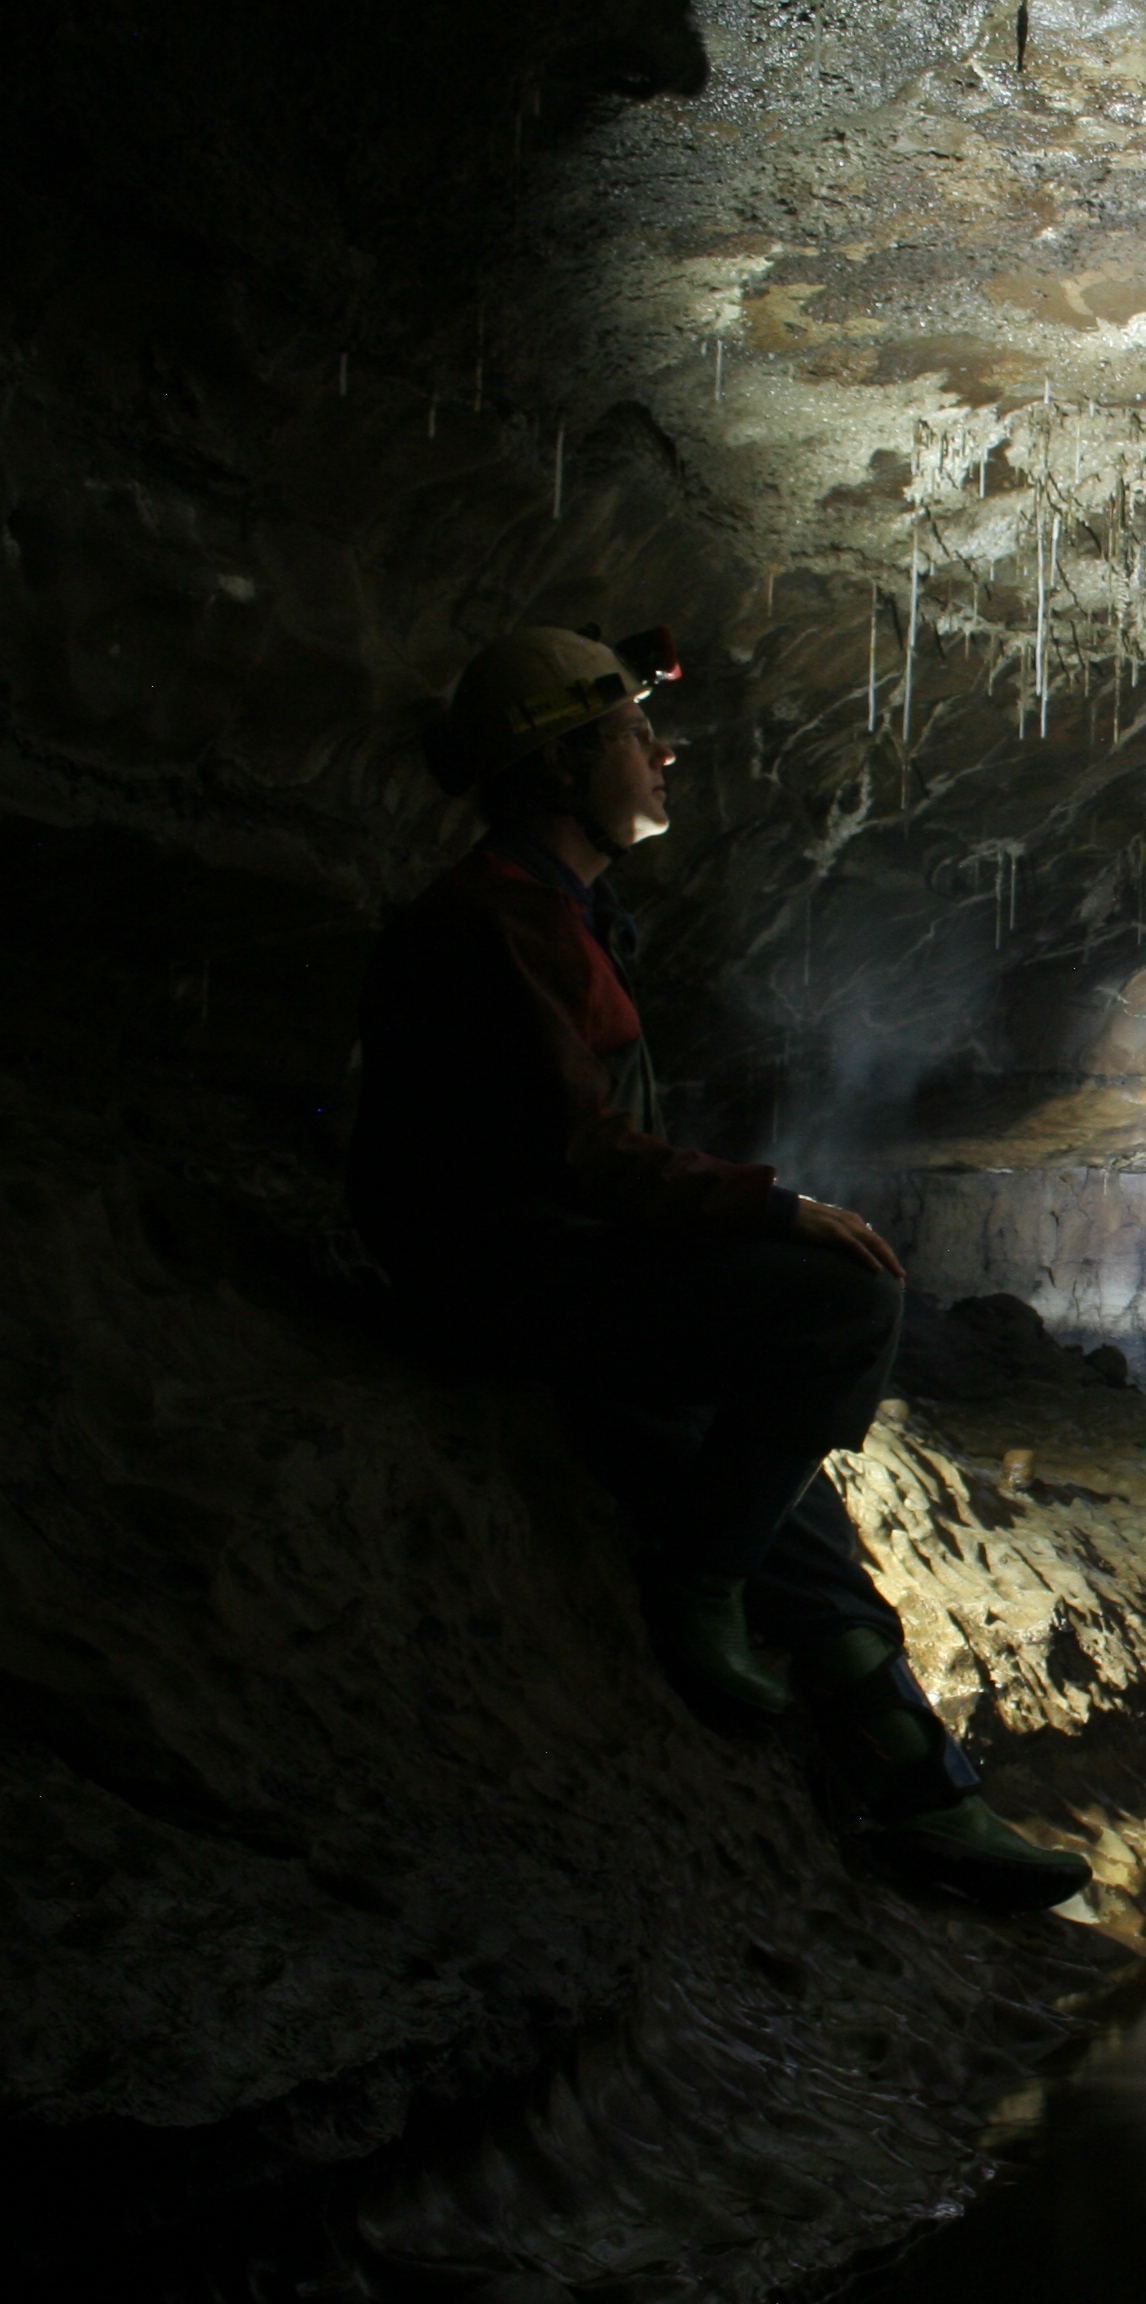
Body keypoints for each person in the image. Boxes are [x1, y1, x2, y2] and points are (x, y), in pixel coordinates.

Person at [349, 624, 1088, 1912]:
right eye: (635, 737)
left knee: (797, 1509)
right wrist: (768, 1206)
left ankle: (928, 1800)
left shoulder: (564, 912)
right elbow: (574, 1148)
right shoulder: (489, 923)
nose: (661, 756)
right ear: (566, 762)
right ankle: (696, 1584)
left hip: (562, 1262)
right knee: (847, 1304)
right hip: (505, 1274)